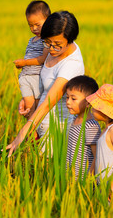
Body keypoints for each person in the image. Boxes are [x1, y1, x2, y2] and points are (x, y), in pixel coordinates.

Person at [7, 11, 84, 156]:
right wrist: (27, 98)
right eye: (47, 42)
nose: (51, 49)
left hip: (58, 128)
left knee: (48, 171)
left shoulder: (71, 65)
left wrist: (23, 132)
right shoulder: (54, 46)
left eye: (57, 45)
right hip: (40, 120)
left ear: (71, 40)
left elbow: (50, 102)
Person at [13, 1, 50, 115]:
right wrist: (23, 65)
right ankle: (31, 130)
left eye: (37, 25)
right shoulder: (31, 40)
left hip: (36, 77)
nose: (34, 28)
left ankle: (34, 129)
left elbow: (42, 59)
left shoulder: (46, 39)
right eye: (30, 25)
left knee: (37, 109)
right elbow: (29, 56)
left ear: (48, 21)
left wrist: (24, 63)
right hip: (25, 77)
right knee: (29, 108)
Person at [65, 75, 101, 179]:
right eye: (67, 97)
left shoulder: (90, 126)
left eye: (73, 99)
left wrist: (89, 178)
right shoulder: (73, 119)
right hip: (69, 178)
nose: (68, 102)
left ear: (88, 103)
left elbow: (96, 155)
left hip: (83, 180)